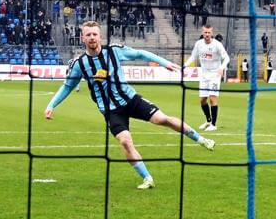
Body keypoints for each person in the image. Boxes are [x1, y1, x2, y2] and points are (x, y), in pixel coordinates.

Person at [44, 21, 214, 190]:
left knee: (163, 120)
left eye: (94, 34)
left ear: (100, 36)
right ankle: (147, 178)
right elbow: (67, 87)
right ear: (83, 38)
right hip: (111, 111)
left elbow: (141, 54)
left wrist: (165, 63)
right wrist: (51, 105)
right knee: (125, 142)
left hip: (131, 100)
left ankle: (201, 139)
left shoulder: (114, 51)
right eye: (88, 34)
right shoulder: (80, 64)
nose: (92, 37)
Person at [183, 25, 230, 131]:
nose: (207, 34)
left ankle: (213, 124)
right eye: (205, 32)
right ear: (202, 33)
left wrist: (221, 68)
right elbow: (193, 57)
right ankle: (208, 121)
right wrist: (185, 65)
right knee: (203, 100)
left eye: (209, 33)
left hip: (214, 75)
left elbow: (226, 57)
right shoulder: (198, 44)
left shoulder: (217, 45)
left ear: (212, 33)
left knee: (212, 98)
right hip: (204, 75)